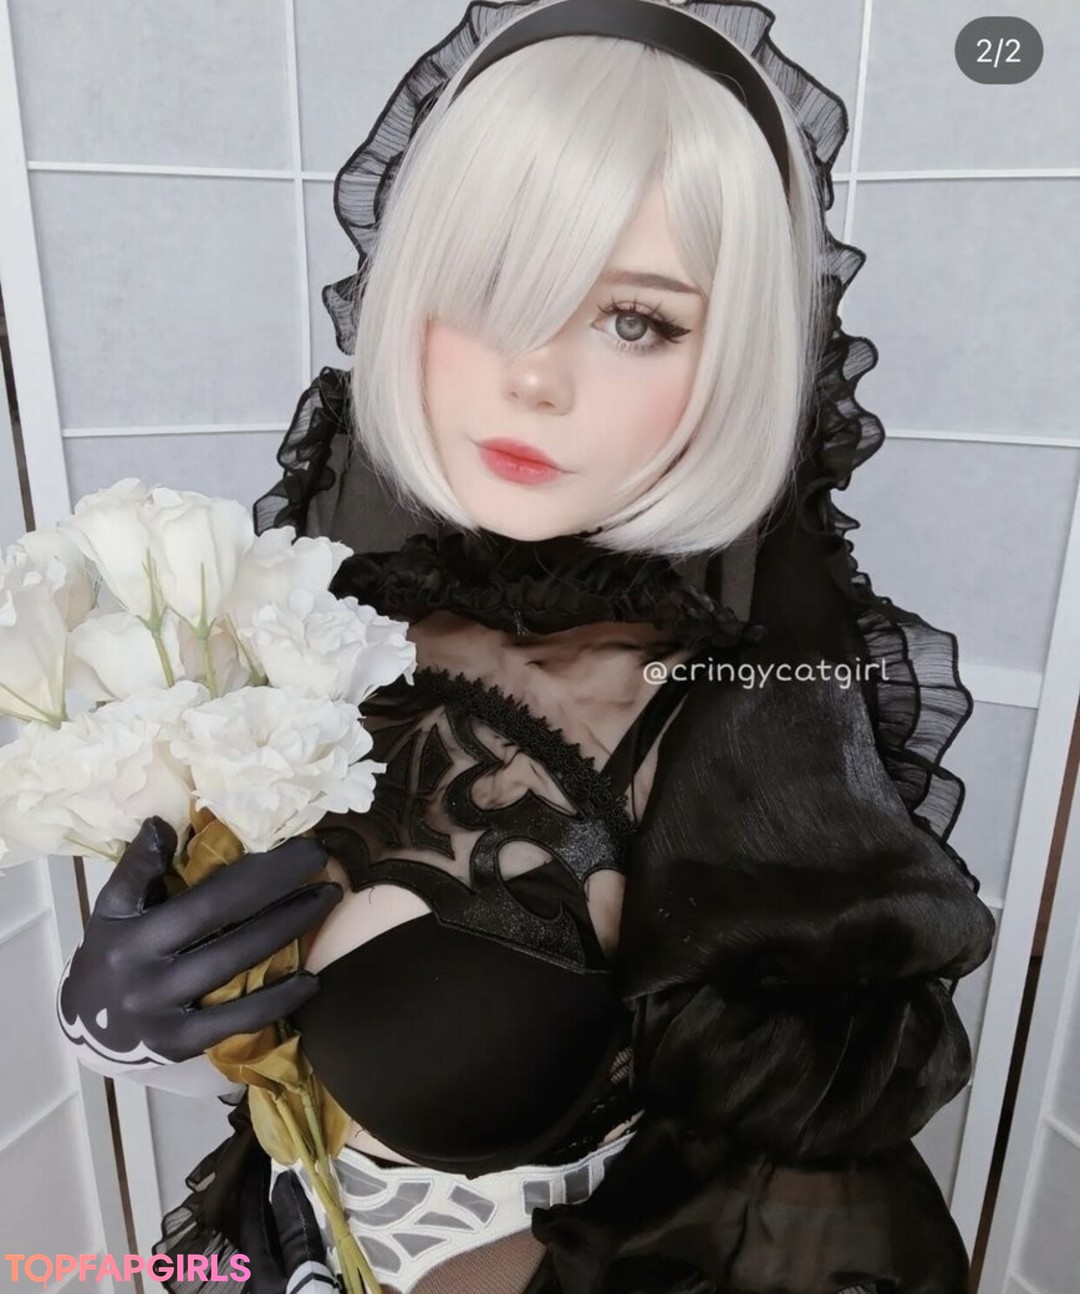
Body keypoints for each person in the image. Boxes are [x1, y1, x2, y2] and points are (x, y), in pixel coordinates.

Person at [55, 2, 997, 1291]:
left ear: (742, 355)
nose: (536, 376)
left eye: (637, 320)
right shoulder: (321, 600)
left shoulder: (733, 711)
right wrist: (116, 1029)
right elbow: (270, 1021)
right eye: (492, 286)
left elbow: (806, 1211)